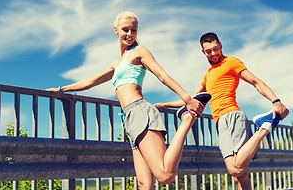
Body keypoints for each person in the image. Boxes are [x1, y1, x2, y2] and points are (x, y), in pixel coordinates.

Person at [47, 12, 207, 190]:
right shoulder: (118, 63)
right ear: (115, 30)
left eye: (134, 30)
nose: (130, 34)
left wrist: (186, 99)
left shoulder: (139, 51)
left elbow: (162, 75)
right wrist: (61, 89)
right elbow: (90, 82)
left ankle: (186, 118)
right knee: (144, 184)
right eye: (125, 30)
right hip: (130, 119)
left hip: (141, 112)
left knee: (165, 175)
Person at [156, 32, 289, 190]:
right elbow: (192, 99)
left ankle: (264, 127)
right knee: (240, 176)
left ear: (220, 45)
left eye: (215, 49)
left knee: (235, 169)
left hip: (232, 116)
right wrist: (165, 105)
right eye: (208, 51)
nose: (213, 53)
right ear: (203, 52)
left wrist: (275, 101)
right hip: (221, 121)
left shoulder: (231, 62)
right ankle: (264, 126)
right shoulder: (208, 74)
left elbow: (255, 81)